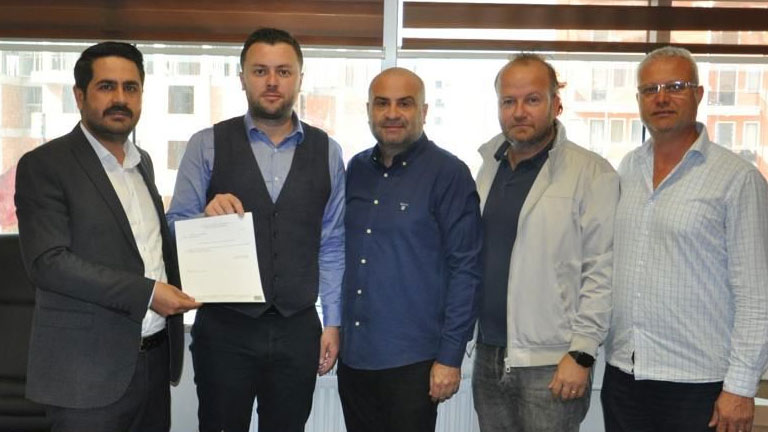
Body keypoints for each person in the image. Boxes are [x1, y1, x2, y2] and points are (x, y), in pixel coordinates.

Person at [14, 41, 200, 432]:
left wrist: (211, 225)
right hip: (85, 375)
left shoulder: (143, 163)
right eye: (106, 86)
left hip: (153, 364)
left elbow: (150, 251)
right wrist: (148, 293)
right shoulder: (44, 165)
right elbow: (48, 263)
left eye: (131, 88)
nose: (120, 98)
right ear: (80, 96)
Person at [166, 27, 345, 432]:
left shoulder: (328, 152)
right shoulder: (206, 144)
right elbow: (173, 228)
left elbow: (333, 245)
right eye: (260, 71)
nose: (272, 81)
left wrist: (333, 323)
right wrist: (204, 220)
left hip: (298, 328)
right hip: (224, 329)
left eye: (284, 71)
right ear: (242, 77)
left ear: (300, 78)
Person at [603, 46, 768, 432]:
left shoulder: (738, 179)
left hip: (700, 386)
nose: (661, 98)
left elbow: (757, 296)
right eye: (650, 89)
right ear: (639, 100)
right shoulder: (628, 168)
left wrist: (740, 387)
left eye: (675, 86)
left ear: (698, 94)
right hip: (625, 376)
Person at [471, 54, 619, 432]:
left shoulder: (591, 173)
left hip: (553, 363)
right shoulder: (488, 165)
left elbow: (602, 269)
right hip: (489, 355)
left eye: (532, 99)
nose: (519, 111)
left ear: (556, 104)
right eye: (509, 101)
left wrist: (582, 353)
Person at [337, 67, 482, 432]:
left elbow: (466, 270)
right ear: (368, 110)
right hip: (354, 358)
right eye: (382, 103)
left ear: (424, 111)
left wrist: (450, 357)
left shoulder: (449, 173)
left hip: (413, 362)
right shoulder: (355, 169)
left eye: (404, 103)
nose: (392, 113)